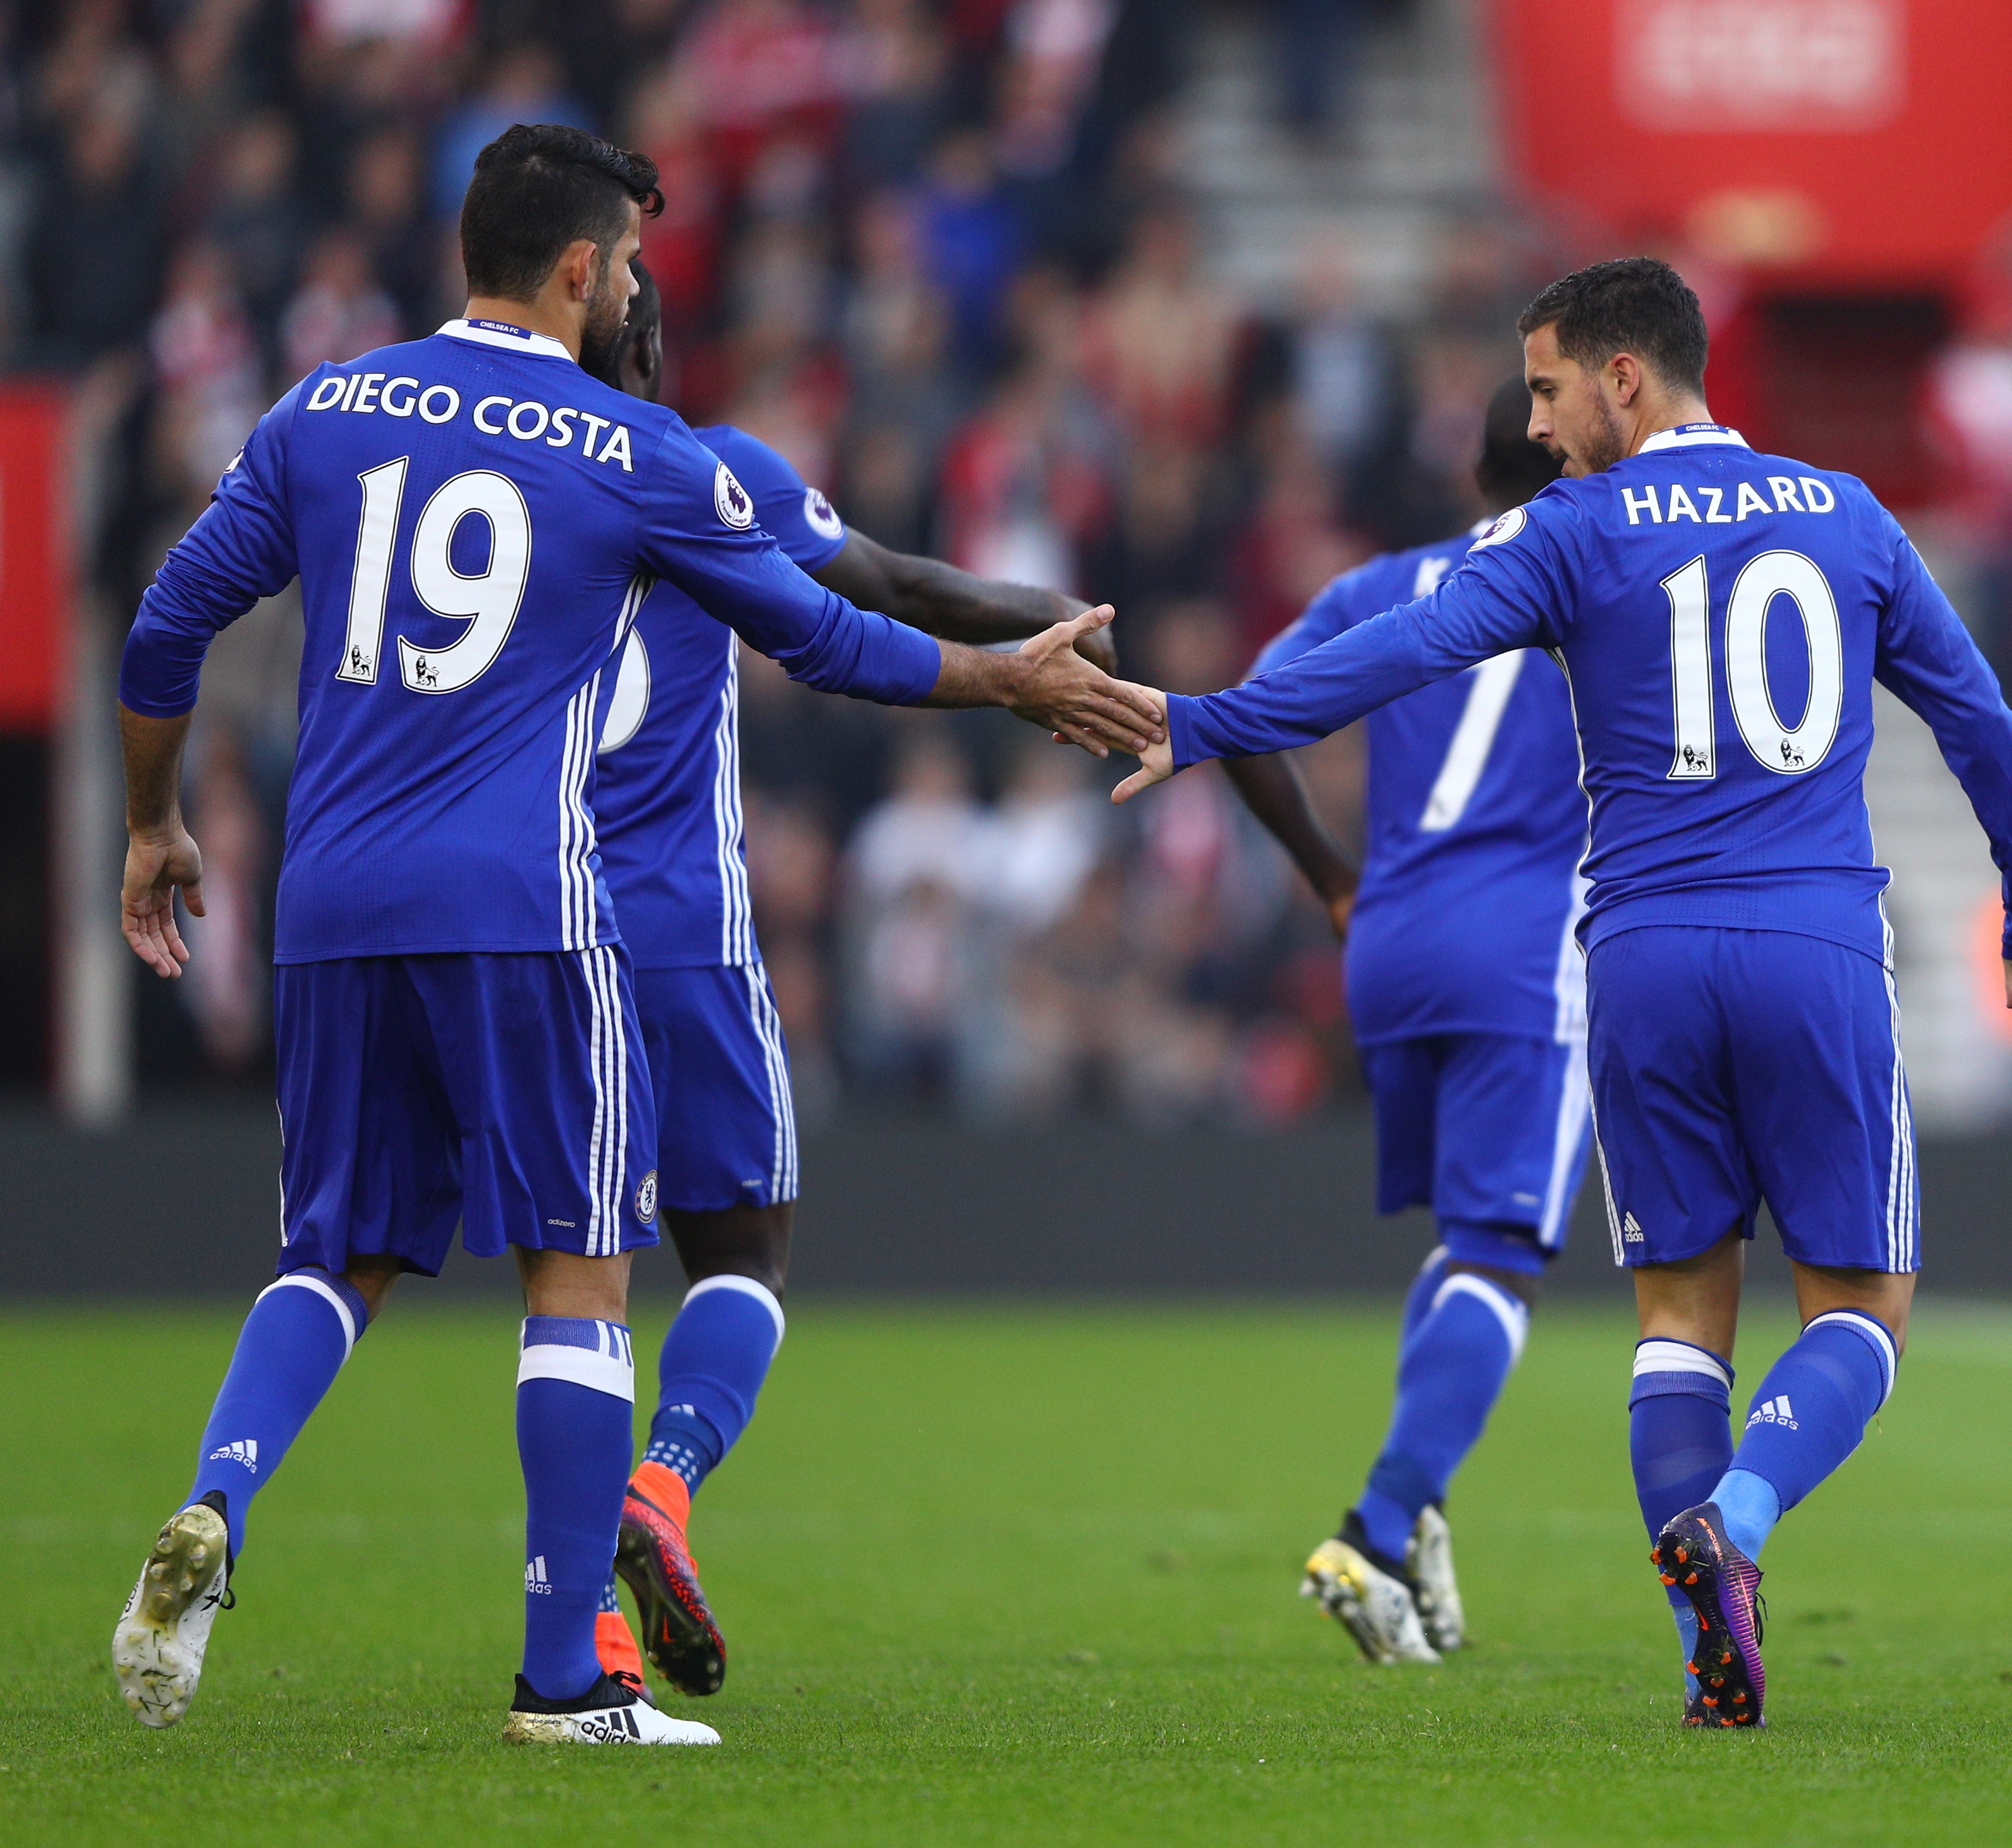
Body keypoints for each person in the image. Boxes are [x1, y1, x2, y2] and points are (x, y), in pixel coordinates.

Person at [107, 124, 1158, 1747]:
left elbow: (169, 621)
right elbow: (830, 634)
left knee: (334, 1255)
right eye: (635, 267)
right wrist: (1004, 676)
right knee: (582, 1269)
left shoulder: (325, 409)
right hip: (529, 903)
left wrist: (155, 821)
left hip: (327, 900)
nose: (639, 293)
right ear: (586, 270)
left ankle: (214, 1504)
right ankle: (564, 1680)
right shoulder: (629, 450)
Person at [1105, 258, 2012, 1725]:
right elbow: (1982, 720)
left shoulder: (1575, 526)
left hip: (1637, 963)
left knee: (1679, 1314)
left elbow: (1397, 650)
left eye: (1551, 390)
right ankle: (1738, 1530)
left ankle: (1705, 1641)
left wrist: (1199, 722)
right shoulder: (1847, 515)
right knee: (1863, 1308)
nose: (1541, 428)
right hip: (1812, 947)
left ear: (1625, 377)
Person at [578, 258, 1112, 1700]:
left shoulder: (500, 482)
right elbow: (878, 587)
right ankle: (664, 1490)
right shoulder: (716, 470)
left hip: (534, 931)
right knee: (744, 1258)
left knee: (575, 1290)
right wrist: (1046, 613)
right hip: (685, 923)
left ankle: (586, 1632)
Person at [1220, 379, 1585, 1664]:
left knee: (1461, 1239)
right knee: (1501, 1252)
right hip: (1525, 949)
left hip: (1391, 939)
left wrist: (1330, 877)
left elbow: (1252, 722)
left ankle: (1417, 1509)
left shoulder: (1385, 585)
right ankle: (1376, 1531)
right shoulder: (1609, 576)